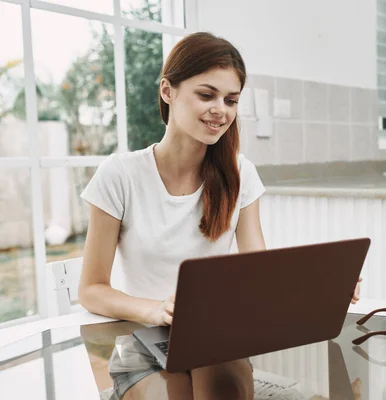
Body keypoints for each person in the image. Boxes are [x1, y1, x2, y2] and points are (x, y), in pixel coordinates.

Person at [78, 32, 362, 400]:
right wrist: (156, 310)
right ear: (168, 91)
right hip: (141, 343)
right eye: (206, 95)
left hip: (215, 342)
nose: (221, 110)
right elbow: (91, 289)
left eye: (231, 100)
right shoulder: (120, 174)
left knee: (223, 382)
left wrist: (322, 286)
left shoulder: (240, 174)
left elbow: (260, 271)